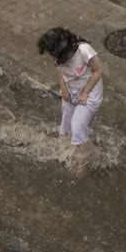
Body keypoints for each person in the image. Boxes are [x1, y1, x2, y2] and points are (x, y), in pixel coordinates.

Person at [38, 27, 103, 179]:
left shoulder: (83, 50)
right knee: (66, 126)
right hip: (70, 90)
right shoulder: (58, 53)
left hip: (90, 92)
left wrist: (85, 92)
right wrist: (63, 86)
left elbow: (99, 71)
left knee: (77, 125)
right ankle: (74, 148)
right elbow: (59, 69)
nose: (54, 57)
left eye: (55, 54)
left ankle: (84, 164)